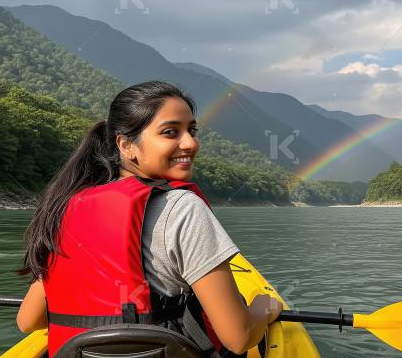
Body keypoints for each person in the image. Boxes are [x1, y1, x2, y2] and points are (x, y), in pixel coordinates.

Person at [16, 81, 282, 356]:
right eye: (170, 132)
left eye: (192, 130)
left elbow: (28, 320)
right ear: (126, 144)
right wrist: (264, 308)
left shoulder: (66, 208)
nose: (190, 143)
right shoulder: (183, 208)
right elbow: (239, 337)